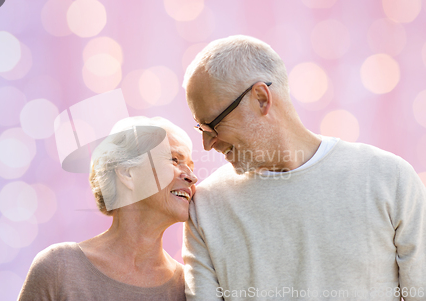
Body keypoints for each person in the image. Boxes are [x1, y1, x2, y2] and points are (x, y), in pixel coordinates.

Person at [181, 35, 426, 300]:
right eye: (200, 129)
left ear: (262, 99)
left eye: (212, 125)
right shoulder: (205, 207)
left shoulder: (389, 179)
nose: (207, 144)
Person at [18, 116, 197, 301]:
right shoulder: (58, 267)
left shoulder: (189, 287)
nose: (193, 178)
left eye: (192, 167)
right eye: (175, 160)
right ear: (127, 173)